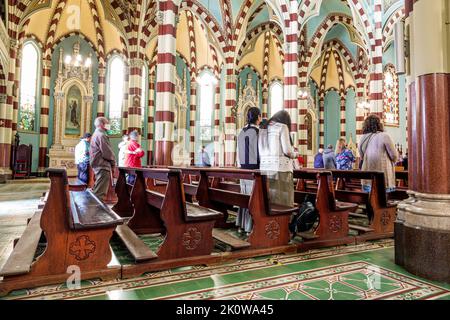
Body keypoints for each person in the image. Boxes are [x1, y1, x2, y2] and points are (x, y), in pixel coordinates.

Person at [259, 110, 299, 207]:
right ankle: (283, 219)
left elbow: (260, 149)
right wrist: (296, 154)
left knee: (270, 197)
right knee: (282, 199)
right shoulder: (282, 127)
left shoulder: (263, 128)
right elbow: (287, 151)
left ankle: (270, 220)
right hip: (280, 168)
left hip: (265, 168)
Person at [236, 107, 262, 235]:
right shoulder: (258, 132)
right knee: (253, 198)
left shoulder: (241, 131)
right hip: (255, 169)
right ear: (258, 118)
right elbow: (261, 152)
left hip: (243, 169)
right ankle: (250, 227)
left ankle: (241, 225)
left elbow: (238, 153)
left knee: (244, 197)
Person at [359, 114, 398, 192]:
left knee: (369, 201)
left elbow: (362, 156)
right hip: (382, 176)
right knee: (382, 202)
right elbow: (394, 156)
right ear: (379, 124)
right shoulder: (384, 136)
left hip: (367, 177)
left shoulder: (362, 138)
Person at [90, 117, 116, 199]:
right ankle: (96, 211)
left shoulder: (95, 134)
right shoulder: (101, 135)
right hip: (102, 165)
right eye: (107, 123)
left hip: (97, 164)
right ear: (102, 124)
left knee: (98, 189)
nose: (109, 125)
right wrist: (113, 164)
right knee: (100, 194)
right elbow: (107, 153)